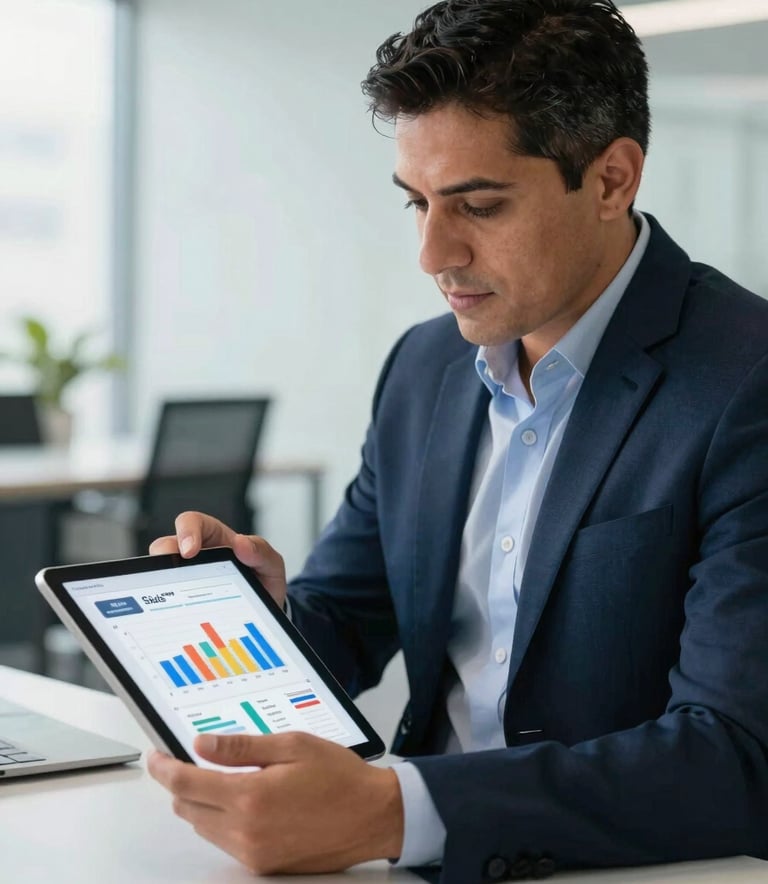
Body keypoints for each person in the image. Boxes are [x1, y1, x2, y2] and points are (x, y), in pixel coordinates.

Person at [147, 0, 768, 881]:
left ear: (610, 180)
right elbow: (350, 622)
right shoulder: (425, 369)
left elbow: (736, 756)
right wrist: (261, 619)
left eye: (478, 205)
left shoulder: (747, 381)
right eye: (418, 203)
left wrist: (397, 811)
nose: (433, 252)